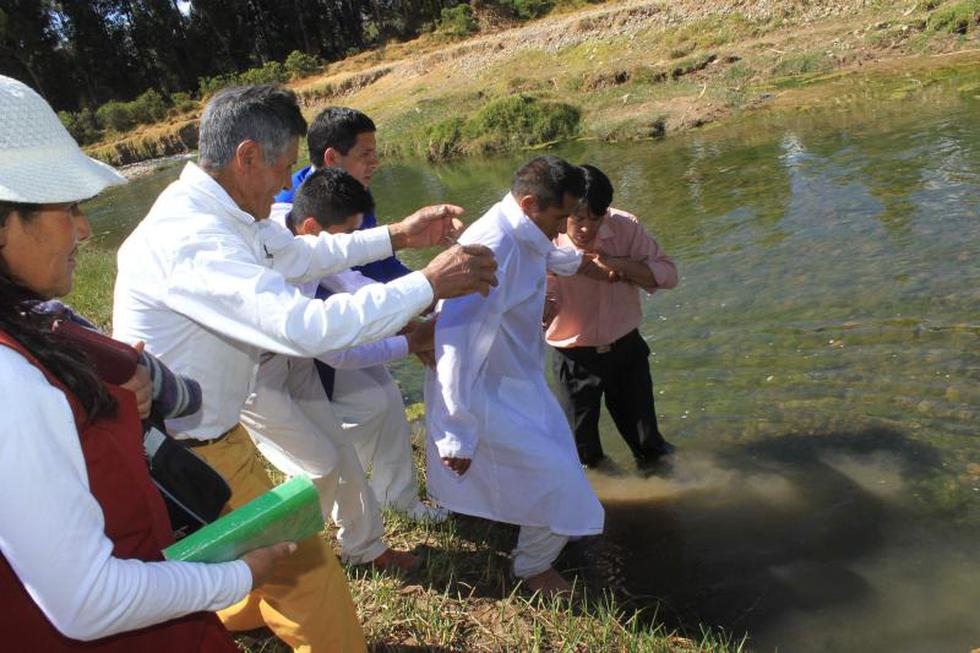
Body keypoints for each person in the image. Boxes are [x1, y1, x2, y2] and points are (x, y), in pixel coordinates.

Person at [112, 84, 496, 651]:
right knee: (311, 576)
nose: (285, 184)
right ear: (247, 156)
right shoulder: (193, 241)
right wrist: (429, 282)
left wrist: (398, 234)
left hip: (216, 435)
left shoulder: (225, 213)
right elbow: (309, 329)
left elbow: (300, 255)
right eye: (284, 167)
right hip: (190, 450)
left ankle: (228, 608)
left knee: (245, 554)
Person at [0, 74, 293, 652]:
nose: (84, 228)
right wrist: (239, 575)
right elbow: (88, 600)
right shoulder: (9, 379)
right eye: (67, 208)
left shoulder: (36, 327)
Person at [424, 156, 605, 594]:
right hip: (480, 388)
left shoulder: (522, 226)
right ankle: (532, 568)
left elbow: (544, 250)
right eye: (559, 218)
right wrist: (455, 430)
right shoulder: (492, 247)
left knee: (553, 463)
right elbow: (455, 339)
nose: (562, 228)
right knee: (561, 479)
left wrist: (572, 262)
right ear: (528, 204)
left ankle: (541, 532)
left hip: (517, 379)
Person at [242, 167, 436, 571]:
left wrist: (406, 315)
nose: (350, 243)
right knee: (319, 466)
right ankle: (262, 562)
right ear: (312, 228)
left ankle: (366, 549)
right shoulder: (268, 256)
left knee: (340, 453)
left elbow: (348, 282)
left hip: (292, 354)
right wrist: (410, 341)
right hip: (250, 372)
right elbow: (337, 352)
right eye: (347, 234)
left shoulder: (287, 225)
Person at [546, 165, 678, 470]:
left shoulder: (625, 226)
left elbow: (669, 276)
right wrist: (565, 268)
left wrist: (618, 266)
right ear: (564, 211)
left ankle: (669, 503)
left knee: (651, 447)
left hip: (626, 350)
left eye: (596, 218)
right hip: (573, 357)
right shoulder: (545, 239)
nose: (585, 229)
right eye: (577, 218)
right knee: (584, 456)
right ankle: (606, 509)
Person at [275, 106, 407, 283]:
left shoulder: (356, 187)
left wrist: (434, 295)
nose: (376, 162)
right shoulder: (285, 212)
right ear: (332, 158)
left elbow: (381, 262)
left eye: (374, 152)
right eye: (365, 154)